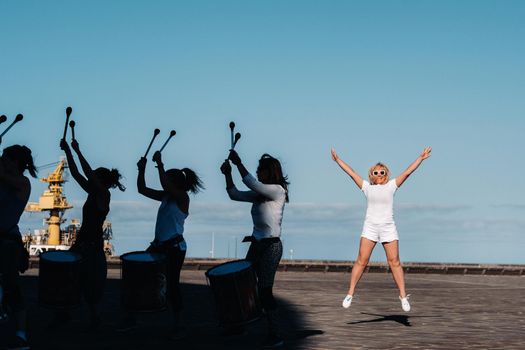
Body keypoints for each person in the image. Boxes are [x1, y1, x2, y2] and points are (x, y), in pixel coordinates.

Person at [331, 147, 432, 312]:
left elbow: (407, 172)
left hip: (388, 228)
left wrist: (420, 158)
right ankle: (350, 293)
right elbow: (351, 172)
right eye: (376, 173)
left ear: (387, 174)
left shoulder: (392, 186)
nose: (379, 175)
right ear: (371, 175)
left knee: (395, 262)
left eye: (382, 172)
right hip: (370, 227)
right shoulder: (366, 187)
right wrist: (338, 160)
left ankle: (403, 296)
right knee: (361, 261)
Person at [119, 150, 203, 338]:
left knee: (172, 285)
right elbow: (142, 189)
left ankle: (178, 323)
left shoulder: (182, 198)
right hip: (159, 246)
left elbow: (165, 184)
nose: (164, 182)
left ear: (176, 183)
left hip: (174, 247)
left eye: (168, 179)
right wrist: (141, 170)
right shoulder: (166, 197)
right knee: (138, 277)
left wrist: (159, 164)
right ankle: (132, 317)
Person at [220, 150, 289, 348]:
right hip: (257, 245)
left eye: (261, 169)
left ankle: (275, 334)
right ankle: (240, 325)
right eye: (258, 169)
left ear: (270, 172)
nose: (258, 172)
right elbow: (234, 195)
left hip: (271, 247)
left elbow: (251, 183)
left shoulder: (277, 190)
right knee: (245, 287)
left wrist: (238, 163)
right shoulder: (260, 194)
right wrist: (227, 174)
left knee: (264, 290)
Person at [60, 139, 125, 329]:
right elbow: (75, 173)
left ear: (100, 180)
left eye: (95, 177)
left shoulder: (104, 195)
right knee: (76, 280)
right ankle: (72, 315)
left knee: (88, 283)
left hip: (92, 245)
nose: (91, 179)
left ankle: (91, 317)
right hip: (83, 243)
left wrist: (78, 151)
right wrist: (68, 152)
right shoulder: (92, 193)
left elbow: (87, 173)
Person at [0, 145, 37, 349]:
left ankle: (21, 334)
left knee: (13, 289)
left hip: (7, 242)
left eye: (5, 160)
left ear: (15, 163)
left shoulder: (22, 183)